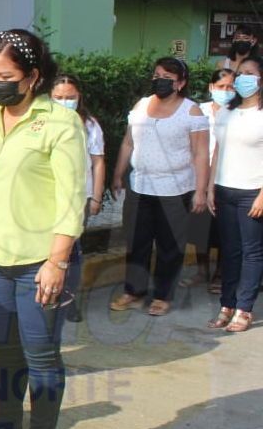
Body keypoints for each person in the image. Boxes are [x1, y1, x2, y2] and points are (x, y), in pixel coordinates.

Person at [0, 29, 86, 429]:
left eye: (6, 75)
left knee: (42, 358)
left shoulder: (58, 122)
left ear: (33, 77)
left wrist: (57, 261)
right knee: (4, 358)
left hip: (39, 261)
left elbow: (73, 197)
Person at [110, 57, 209, 317]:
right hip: (140, 185)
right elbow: (128, 143)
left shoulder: (191, 111)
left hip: (175, 190)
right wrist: (118, 174)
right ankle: (134, 291)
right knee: (136, 242)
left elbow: (200, 153)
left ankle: (163, 295)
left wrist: (201, 190)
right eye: (157, 74)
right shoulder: (141, 106)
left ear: (180, 83)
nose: (160, 80)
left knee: (169, 246)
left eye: (168, 76)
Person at [207, 55, 263, 333]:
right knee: (229, 251)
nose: (242, 78)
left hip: (252, 192)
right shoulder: (226, 111)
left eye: (250, 73)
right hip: (224, 189)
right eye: (240, 73)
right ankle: (226, 305)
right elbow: (218, 150)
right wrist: (210, 188)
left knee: (252, 252)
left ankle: (245, 308)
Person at [51, 75, 106, 323]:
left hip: (79, 198)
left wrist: (96, 197)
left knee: (71, 250)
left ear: (79, 96)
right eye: (59, 97)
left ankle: (69, 299)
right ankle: (47, 295)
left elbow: (98, 161)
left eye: (70, 97)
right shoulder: (42, 122)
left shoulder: (90, 125)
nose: (65, 102)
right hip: (48, 197)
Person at [186, 68, 236, 292]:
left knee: (225, 227)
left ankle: (220, 273)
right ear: (211, 88)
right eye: (221, 87)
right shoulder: (199, 111)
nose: (226, 91)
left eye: (230, 87)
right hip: (199, 176)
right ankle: (202, 270)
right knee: (200, 225)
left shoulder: (238, 112)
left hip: (227, 177)